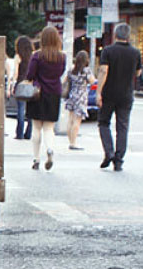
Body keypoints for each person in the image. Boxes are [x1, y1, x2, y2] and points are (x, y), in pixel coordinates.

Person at [96, 22, 140, 172]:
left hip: (109, 93)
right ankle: (119, 160)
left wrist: (98, 92)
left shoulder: (108, 51)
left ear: (115, 35)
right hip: (126, 94)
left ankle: (109, 152)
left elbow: (103, 71)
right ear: (128, 36)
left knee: (103, 123)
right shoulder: (135, 52)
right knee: (122, 127)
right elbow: (138, 72)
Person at [25, 26, 65, 171]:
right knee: (49, 128)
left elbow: (30, 75)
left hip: (38, 93)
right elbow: (60, 74)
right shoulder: (62, 57)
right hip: (54, 93)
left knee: (36, 127)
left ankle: (36, 159)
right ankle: (49, 149)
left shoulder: (37, 56)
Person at [63, 50, 94, 150]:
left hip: (72, 95)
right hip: (81, 96)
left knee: (70, 120)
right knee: (77, 120)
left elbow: (64, 80)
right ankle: (73, 143)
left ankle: (70, 141)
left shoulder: (72, 69)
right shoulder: (86, 71)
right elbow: (92, 81)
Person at [9, 36, 34, 140]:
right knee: (30, 111)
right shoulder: (33, 56)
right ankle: (28, 133)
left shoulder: (18, 56)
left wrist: (12, 85)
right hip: (31, 84)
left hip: (20, 84)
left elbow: (15, 73)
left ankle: (19, 134)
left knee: (20, 110)